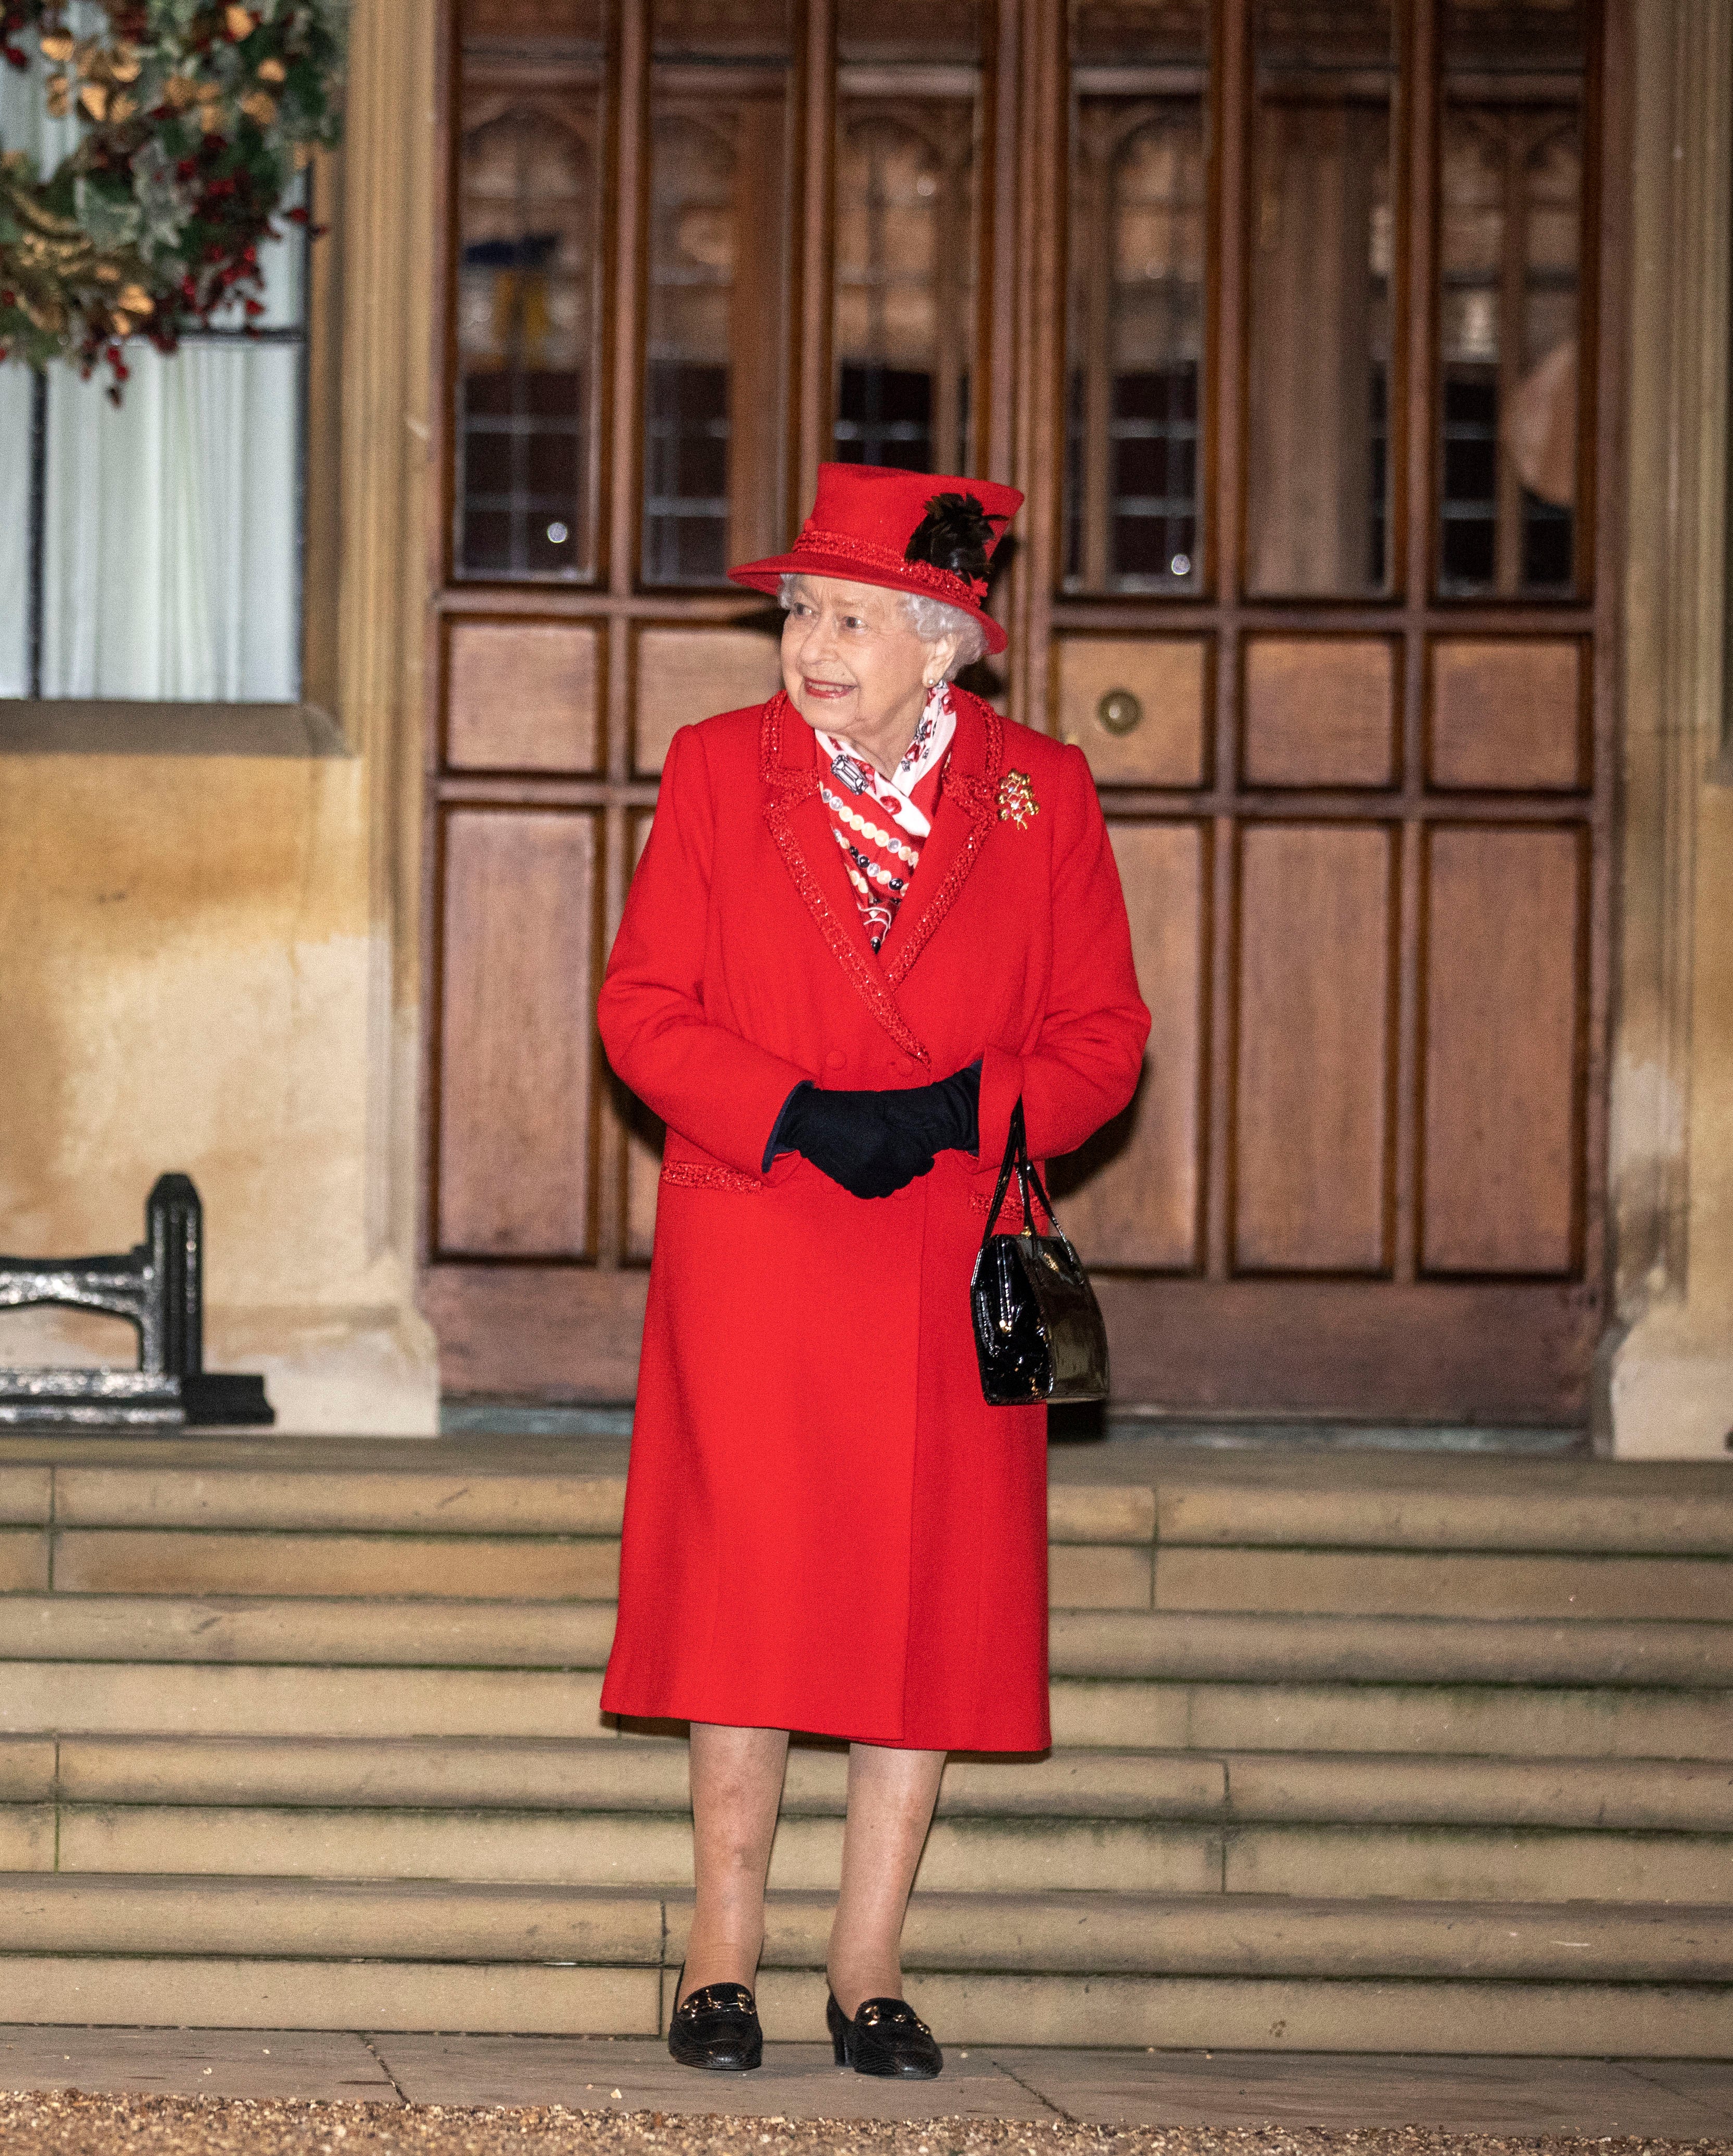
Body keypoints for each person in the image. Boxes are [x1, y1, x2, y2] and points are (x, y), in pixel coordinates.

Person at [597, 465, 1149, 2079]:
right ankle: (717, 1959)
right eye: (797, 612)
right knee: (749, 1593)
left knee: (924, 1608)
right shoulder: (714, 770)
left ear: (943, 640)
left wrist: (962, 1111)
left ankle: (869, 1969)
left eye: (846, 617)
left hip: (941, 1240)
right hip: (760, 1224)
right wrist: (791, 1110)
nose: (808, 645)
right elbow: (640, 1009)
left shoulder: (1042, 792)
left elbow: (1105, 1040)